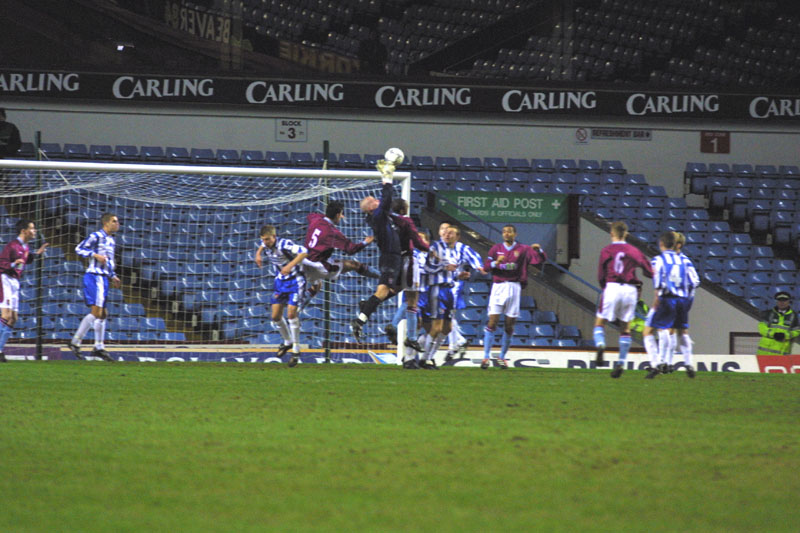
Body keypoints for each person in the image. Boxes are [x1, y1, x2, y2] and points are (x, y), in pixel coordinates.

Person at [350, 160, 416, 355]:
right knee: (383, 291)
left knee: (400, 286)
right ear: (371, 208)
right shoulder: (378, 216)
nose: (377, 201)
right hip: (389, 258)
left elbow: (391, 204)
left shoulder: (381, 217)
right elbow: (387, 199)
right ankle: (360, 319)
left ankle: (367, 305)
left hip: (393, 258)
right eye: (373, 200)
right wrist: (386, 178)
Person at [593, 221, 653, 378]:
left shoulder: (607, 250)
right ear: (626, 234)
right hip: (630, 289)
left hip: (612, 286)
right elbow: (648, 270)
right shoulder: (633, 250)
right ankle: (621, 362)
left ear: (611, 233)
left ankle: (600, 345)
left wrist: (604, 286)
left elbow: (601, 273)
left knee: (600, 322)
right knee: (625, 328)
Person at [420, 225, 484, 368]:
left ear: (457, 236)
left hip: (448, 290)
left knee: (447, 328)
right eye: (445, 232)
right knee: (436, 326)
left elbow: (450, 273)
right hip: (437, 290)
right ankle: (425, 358)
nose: (447, 234)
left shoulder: (455, 252)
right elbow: (427, 268)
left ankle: (428, 355)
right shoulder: (435, 248)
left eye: (450, 233)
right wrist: (443, 267)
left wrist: (458, 275)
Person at [480, 225, 541, 369]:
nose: (506, 234)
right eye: (504, 232)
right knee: (492, 322)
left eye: (509, 231)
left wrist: (539, 250)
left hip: (514, 287)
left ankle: (502, 357)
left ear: (515, 234)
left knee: (509, 325)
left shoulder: (523, 249)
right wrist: (497, 262)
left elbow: (537, 261)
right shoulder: (495, 249)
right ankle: (486, 357)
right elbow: (487, 266)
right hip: (499, 287)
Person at [645, 231, 700, 379]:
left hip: (668, 298)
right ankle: (684, 363)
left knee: (661, 330)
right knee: (679, 331)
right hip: (684, 299)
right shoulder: (685, 260)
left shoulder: (662, 259)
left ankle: (661, 362)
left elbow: (655, 274)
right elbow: (695, 281)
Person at [68, 213, 121, 361]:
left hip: (103, 278)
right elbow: (78, 249)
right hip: (94, 276)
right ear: (106, 223)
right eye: (114, 221)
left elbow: (108, 261)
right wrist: (94, 255)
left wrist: (113, 275)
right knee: (97, 312)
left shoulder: (111, 240)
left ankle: (99, 347)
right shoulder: (96, 236)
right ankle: (75, 342)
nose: (117, 224)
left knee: (103, 314)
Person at [255, 224, 309, 367]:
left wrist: (290, 265)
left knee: (291, 314)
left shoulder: (285, 244)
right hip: (280, 282)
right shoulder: (265, 243)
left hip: (295, 281)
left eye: (267, 240)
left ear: (274, 237)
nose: (265, 242)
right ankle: (288, 342)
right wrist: (258, 254)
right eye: (263, 240)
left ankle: (296, 349)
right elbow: (261, 245)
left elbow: (304, 251)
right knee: (275, 316)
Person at [302, 199, 377, 300]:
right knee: (354, 265)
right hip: (318, 266)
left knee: (316, 287)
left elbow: (310, 215)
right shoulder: (332, 232)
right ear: (337, 215)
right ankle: (382, 277)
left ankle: (297, 309)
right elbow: (351, 250)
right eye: (341, 214)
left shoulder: (316, 219)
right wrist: (365, 242)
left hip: (304, 261)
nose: (342, 217)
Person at [0, 220, 48, 362]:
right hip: (5, 279)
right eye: (32, 229)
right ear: (23, 231)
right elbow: (2, 263)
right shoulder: (12, 246)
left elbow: (25, 258)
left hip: (15, 281)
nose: (35, 231)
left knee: (13, 318)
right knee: (6, 315)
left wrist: (36, 254)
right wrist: (14, 263)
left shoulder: (25, 247)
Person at [757, 291, 799, 356]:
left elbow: (797, 330)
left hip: (782, 352)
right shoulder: (768, 313)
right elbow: (762, 328)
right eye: (780, 300)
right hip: (764, 354)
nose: (782, 303)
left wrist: (785, 335)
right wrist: (773, 334)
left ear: (788, 301)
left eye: (784, 300)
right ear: (776, 301)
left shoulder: (793, 316)